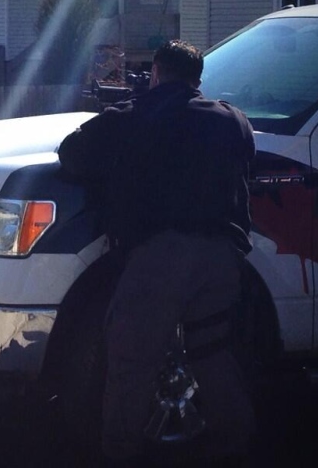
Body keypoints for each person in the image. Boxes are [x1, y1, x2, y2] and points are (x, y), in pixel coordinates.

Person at [57, 39, 257, 466]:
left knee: (131, 364)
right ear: (198, 79)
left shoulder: (133, 117)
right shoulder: (231, 120)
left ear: (156, 73)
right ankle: (238, 446)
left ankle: (119, 455)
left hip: (158, 261)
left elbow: (71, 155)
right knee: (213, 355)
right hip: (222, 258)